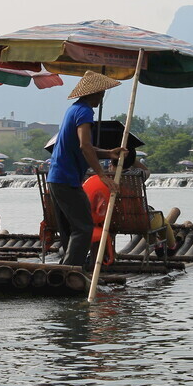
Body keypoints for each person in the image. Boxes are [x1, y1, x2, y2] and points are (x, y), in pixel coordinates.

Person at [47, 71, 128, 270]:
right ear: (94, 93)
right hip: (66, 179)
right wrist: (101, 174)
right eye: (101, 94)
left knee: (69, 230)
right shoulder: (84, 112)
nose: (102, 98)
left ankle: (65, 270)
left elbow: (84, 147)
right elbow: (85, 145)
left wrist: (109, 153)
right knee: (83, 228)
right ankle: (71, 271)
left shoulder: (73, 109)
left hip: (57, 178)